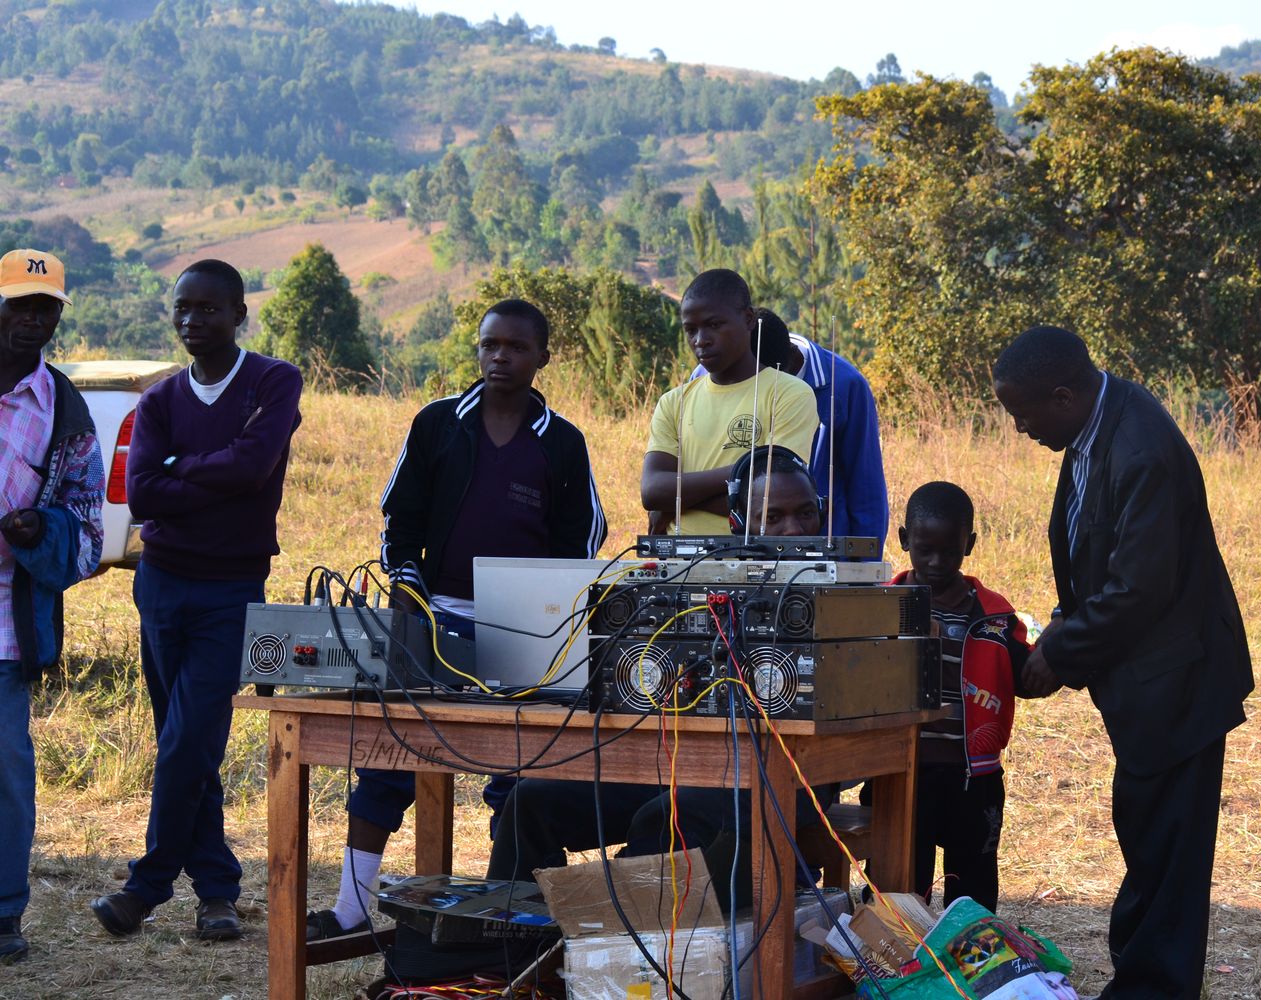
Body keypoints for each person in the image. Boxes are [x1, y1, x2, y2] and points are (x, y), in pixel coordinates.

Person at [306, 299, 608, 941]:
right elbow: (400, 521)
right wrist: (407, 579)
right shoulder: (439, 424)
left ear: (542, 357)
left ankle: (512, 921)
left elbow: (584, 539)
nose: (500, 357)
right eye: (489, 345)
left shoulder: (562, 441)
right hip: (429, 622)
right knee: (386, 761)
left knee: (519, 775)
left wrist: (546, 605)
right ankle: (351, 909)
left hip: (526, 633)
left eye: (516, 347)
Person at [992, 325, 1254, 1000]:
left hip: (1181, 678)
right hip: (1144, 681)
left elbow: (1138, 587)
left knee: (1169, 852)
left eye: (1023, 414)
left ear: (1062, 395)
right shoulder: (1090, 428)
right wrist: (1058, 628)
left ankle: (1153, 988)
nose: (1019, 428)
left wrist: (1060, 652)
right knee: (1147, 833)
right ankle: (1140, 978)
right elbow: (1093, 554)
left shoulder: (1142, 448)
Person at [488, 449, 827, 884]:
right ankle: (510, 946)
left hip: (779, 778)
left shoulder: (849, 594)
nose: (794, 530)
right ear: (737, 525)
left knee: (664, 817)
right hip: (677, 765)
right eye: (773, 517)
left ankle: (620, 940)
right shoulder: (697, 585)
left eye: (804, 514)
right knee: (528, 801)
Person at [92, 260, 303, 942]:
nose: (193, 321)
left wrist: (180, 469)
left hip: (230, 590)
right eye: (183, 308)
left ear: (240, 313)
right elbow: (141, 494)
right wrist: (200, 477)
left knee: (187, 740)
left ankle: (146, 886)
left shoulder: (274, 381)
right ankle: (216, 891)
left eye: (209, 309)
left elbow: (254, 466)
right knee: (186, 744)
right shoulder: (158, 401)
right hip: (160, 586)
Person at [0, 249, 105, 964]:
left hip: (10, 627)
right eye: (21, 304)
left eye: (47, 308)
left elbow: (89, 526)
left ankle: (4, 916)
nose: (34, 318)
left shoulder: (63, 408)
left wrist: (44, 531)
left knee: (7, 774)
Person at [889, 482, 1031, 911]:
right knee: (898, 888)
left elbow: (1028, 679)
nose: (936, 562)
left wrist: (1065, 646)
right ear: (903, 540)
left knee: (973, 891)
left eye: (950, 551)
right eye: (924, 549)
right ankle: (898, 974)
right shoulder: (880, 605)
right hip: (899, 775)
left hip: (975, 781)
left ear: (969, 544)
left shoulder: (995, 617)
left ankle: (967, 974)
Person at [642, 270, 818, 535]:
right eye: (691, 330)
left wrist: (675, 502)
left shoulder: (790, 394)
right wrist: (744, 476)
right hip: (682, 565)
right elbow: (653, 491)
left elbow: (774, 500)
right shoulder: (673, 402)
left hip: (757, 561)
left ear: (748, 319)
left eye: (714, 325)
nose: (701, 340)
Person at [693, 309, 888, 546]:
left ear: (793, 361)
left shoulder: (845, 385)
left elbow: (866, 490)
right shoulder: (711, 373)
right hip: (722, 549)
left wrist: (863, 569)